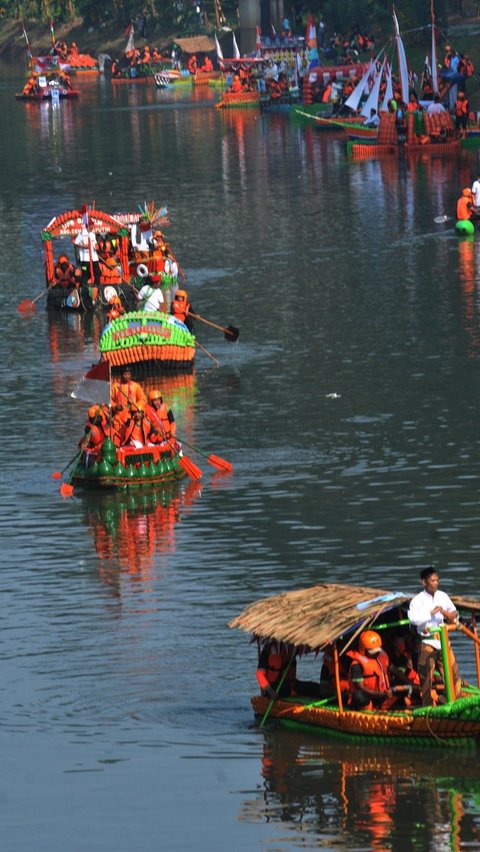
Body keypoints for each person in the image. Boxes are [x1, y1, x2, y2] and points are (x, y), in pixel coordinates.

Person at [407, 566, 461, 706]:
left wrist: (450, 615)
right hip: (428, 642)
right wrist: (431, 613)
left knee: (453, 675)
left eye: (437, 580)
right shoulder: (417, 601)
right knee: (426, 678)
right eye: (432, 580)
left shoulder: (442, 596)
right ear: (424, 582)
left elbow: (454, 612)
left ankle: (457, 703)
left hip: (443, 641)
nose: (436, 583)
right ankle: (428, 707)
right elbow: (413, 619)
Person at [347, 630, 402, 710]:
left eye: (377, 650)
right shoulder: (356, 665)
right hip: (369, 697)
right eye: (372, 651)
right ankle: (367, 710)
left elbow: (396, 671)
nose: (376, 653)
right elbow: (361, 687)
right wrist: (381, 694)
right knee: (359, 695)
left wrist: (410, 683)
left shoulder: (381, 658)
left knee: (399, 686)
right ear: (363, 649)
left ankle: (389, 705)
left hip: (383, 695)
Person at [256, 641, 323, 700]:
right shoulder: (268, 650)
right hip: (274, 687)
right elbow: (259, 674)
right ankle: (294, 694)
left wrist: (324, 645)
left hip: (291, 684)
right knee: (285, 689)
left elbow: (310, 648)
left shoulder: (294, 647)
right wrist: (269, 690)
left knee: (317, 688)